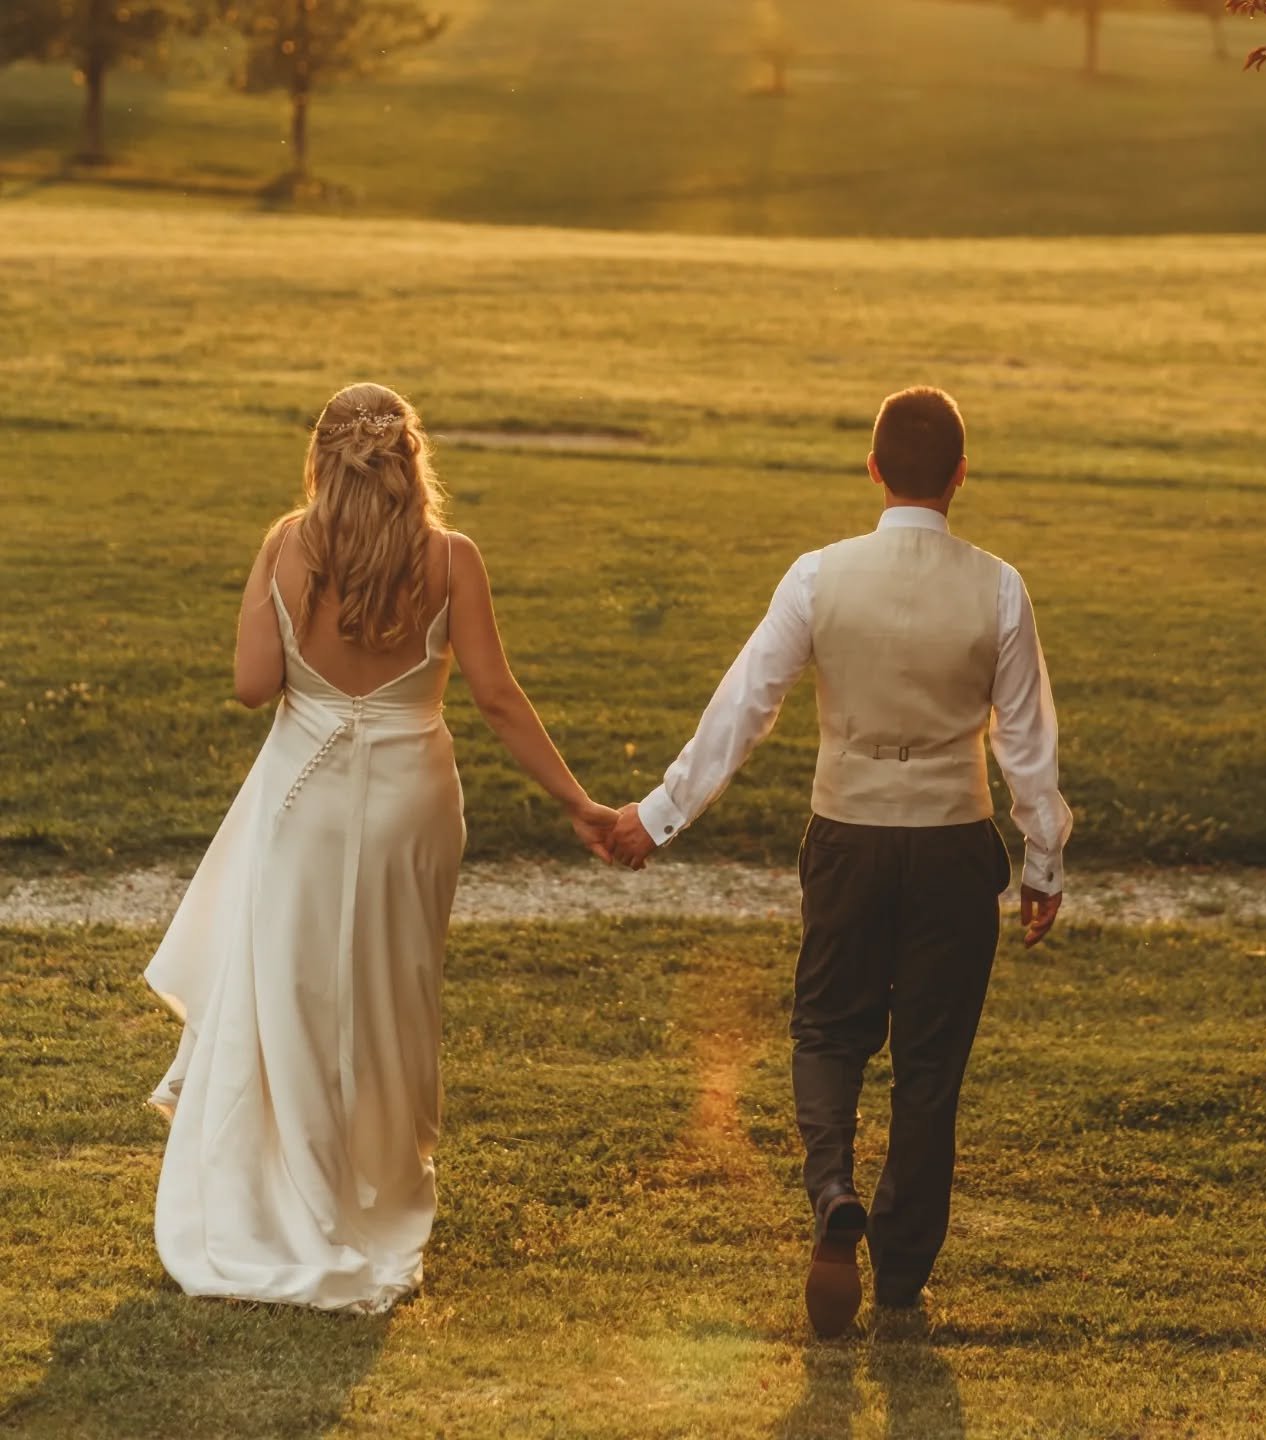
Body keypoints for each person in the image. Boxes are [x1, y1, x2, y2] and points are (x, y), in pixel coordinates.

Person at [144, 382, 616, 1314]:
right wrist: (579, 803)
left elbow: (251, 685)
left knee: (296, 994)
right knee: (393, 997)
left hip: (305, 803)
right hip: (413, 803)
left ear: (321, 459)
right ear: (411, 462)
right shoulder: (452, 560)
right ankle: (381, 1186)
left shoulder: (289, 546)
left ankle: (294, 1193)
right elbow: (496, 697)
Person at [610, 386, 1071, 1337]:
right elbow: (1027, 743)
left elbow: (747, 705)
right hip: (953, 840)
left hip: (848, 835)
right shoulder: (1000, 586)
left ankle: (831, 1193)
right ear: (960, 476)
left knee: (826, 1030)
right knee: (929, 1066)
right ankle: (900, 1276)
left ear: (871, 471)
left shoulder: (818, 577)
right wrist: (1044, 861)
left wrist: (659, 817)